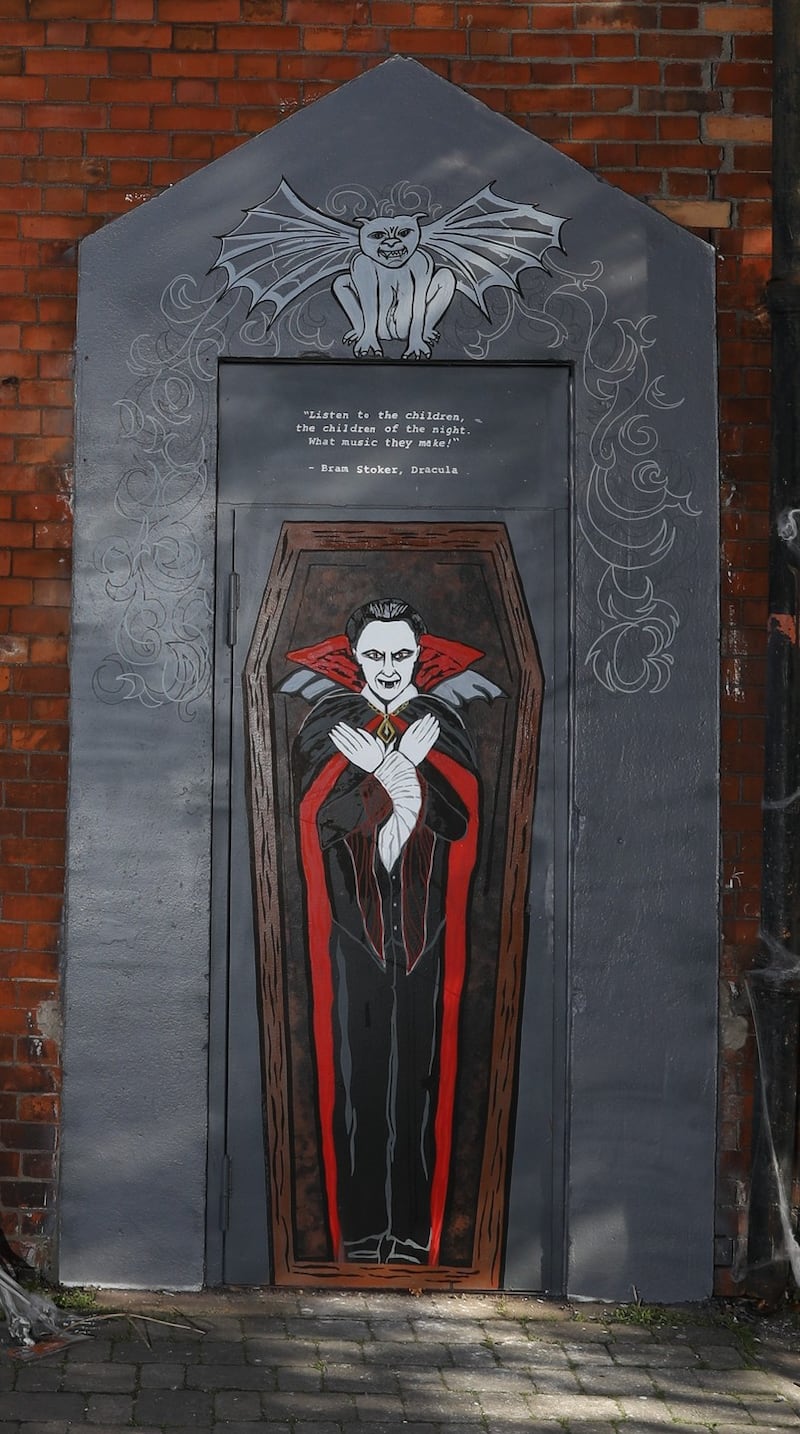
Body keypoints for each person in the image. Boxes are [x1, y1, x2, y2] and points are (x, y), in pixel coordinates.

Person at [290, 599, 481, 1265]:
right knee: (360, 1081)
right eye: (376, 655)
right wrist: (388, 776)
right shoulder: (330, 725)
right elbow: (317, 818)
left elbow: (461, 821)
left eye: (402, 655)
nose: (390, 668)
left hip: (427, 928)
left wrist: (408, 772)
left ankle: (414, 1230)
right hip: (354, 928)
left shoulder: (442, 724)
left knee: (421, 1080)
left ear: (419, 655)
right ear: (354, 657)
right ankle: (365, 1228)